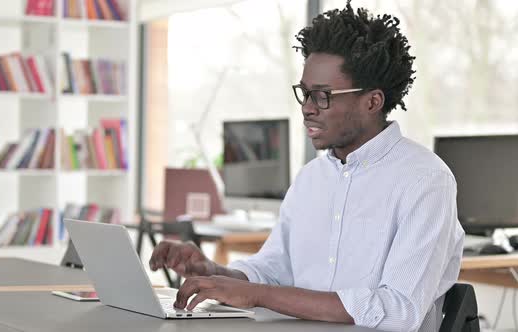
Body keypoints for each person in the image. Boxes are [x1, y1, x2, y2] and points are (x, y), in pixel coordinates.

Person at [149, 2, 464, 331]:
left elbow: (397, 310)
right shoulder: (312, 178)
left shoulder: (425, 181)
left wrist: (258, 295)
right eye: (305, 93)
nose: (308, 109)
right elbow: (272, 269)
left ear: (372, 101)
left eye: (322, 96)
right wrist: (213, 273)